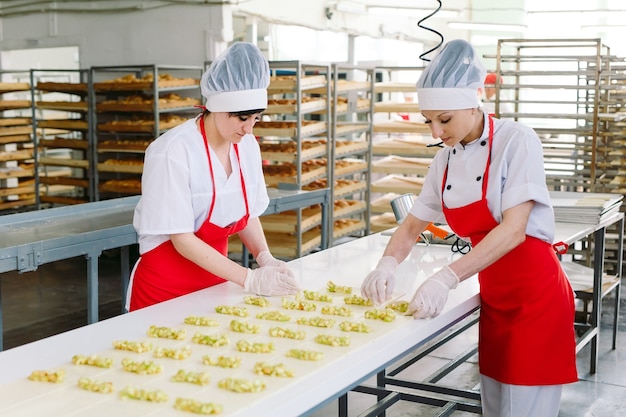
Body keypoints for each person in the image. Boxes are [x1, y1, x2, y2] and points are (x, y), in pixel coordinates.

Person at [360, 39, 577, 417]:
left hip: (535, 298)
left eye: (444, 119)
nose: (435, 131)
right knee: (496, 408)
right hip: (495, 300)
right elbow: (411, 226)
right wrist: (386, 264)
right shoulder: (443, 161)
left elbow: (513, 230)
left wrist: (446, 277)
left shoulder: (516, 141)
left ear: (474, 100)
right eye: (429, 120)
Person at [128, 42, 299, 311]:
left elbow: (247, 212)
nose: (249, 129)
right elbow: (181, 238)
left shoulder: (247, 145)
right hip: (164, 289)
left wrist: (264, 256)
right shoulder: (172, 151)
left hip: (216, 281)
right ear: (218, 107)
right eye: (242, 117)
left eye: (256, 118)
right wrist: (249, 278)